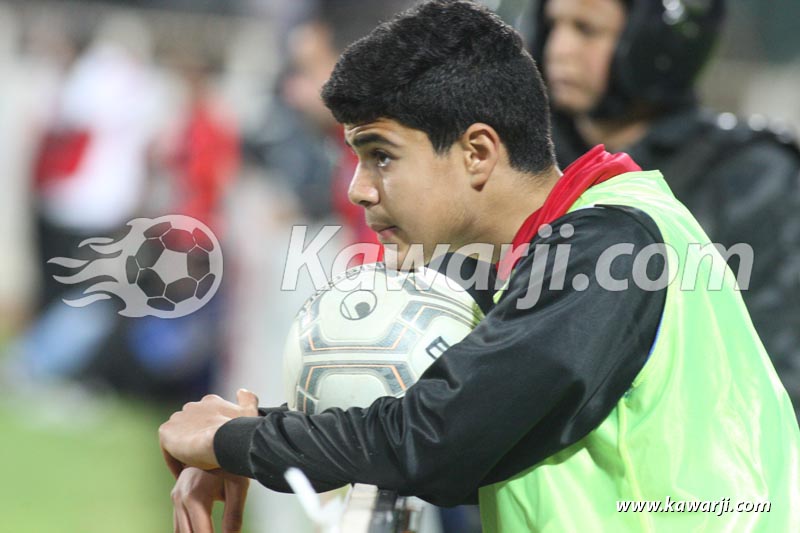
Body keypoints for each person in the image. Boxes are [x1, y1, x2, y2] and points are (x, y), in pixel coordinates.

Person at [159, 2, 800, 532]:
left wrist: (235, 441)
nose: (358, 189)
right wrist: (251, 430)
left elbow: (438, 438)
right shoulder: (568, 243)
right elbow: (450, 426)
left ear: (477, 152)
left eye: (381, 155)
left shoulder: (613, 246)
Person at [527, 0, 800, 417]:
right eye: (554, 25)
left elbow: (775, 380)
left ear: (660, 40)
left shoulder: (750, 177)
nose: (559, 48)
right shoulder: (522, 166)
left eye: (587, 29)